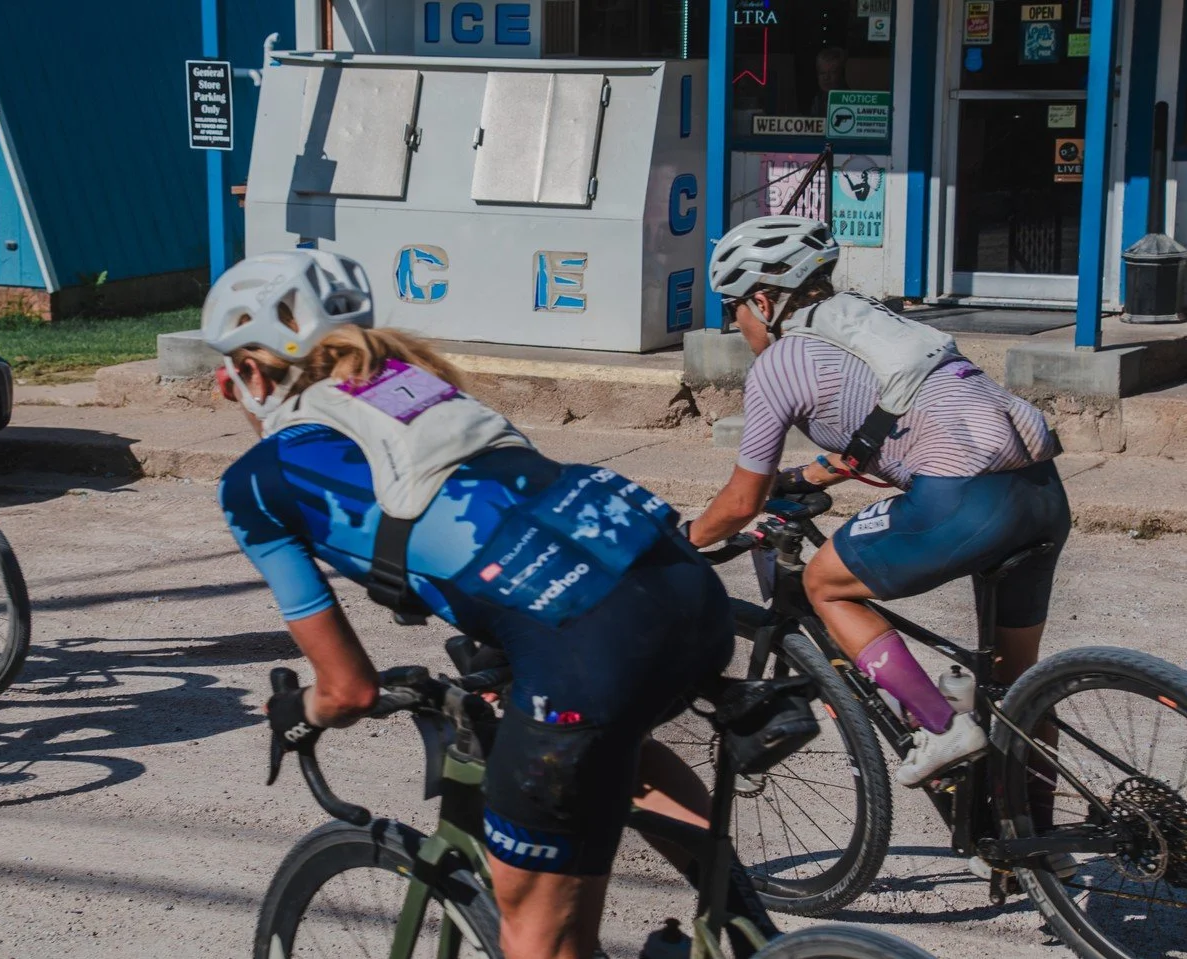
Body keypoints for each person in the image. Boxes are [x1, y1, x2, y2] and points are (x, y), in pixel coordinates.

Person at [206, 251, 746, 959]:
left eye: (225, 380)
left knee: (535, 936)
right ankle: (745, 925)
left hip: (586, 646)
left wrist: (298, 712)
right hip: (679, 583)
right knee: (620, 748)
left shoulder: (257, 482)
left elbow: (348, 689)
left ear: (251, 373)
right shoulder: (416, 386)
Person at [684, 216, 1070, 790]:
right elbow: (884, 424)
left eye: (731, 308)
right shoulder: (877, 321)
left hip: (962, 496)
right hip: (1041, 492)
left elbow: (742, 502)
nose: (735, 324)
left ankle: (940, 727)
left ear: (762, 301)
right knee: (1018, 689)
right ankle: (1037, 837)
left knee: (824, 583)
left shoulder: (779, 365)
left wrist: (685, 540)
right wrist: (804, 477)